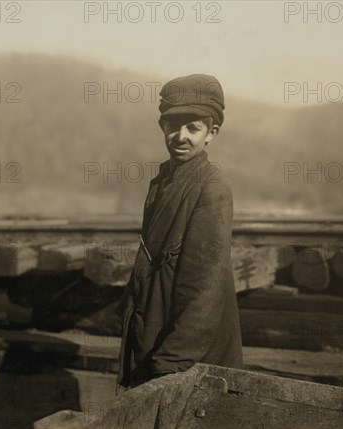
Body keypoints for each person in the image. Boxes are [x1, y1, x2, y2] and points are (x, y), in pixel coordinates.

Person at [116, 74, 243, 389]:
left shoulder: (211, 188)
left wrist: (169, 365)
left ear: (211, 133)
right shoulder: (162, 182)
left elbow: (205, 288)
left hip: (188, 359)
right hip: (157, 340)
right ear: (162, 127)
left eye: (193, 128)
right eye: (172, 126)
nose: (180, 136)